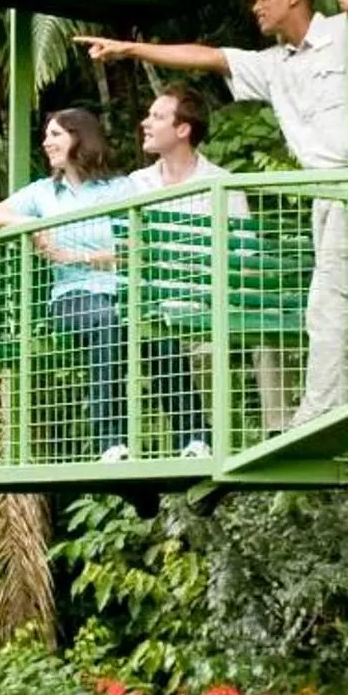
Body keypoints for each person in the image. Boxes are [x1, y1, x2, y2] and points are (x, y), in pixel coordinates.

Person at [79, 0, 348, 423]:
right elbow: (206, 57)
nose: (256, 6)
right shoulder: (274, 63)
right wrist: (131, 49)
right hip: (324, 191)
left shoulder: (344, 30)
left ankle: (318, 411)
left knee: (330, 299)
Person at [0, 106, 129, 458]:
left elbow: (137, 245)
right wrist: (30, 226)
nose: (46, 142)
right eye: (46, 135)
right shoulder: (43, 193)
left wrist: (82, 257)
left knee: (152, 331)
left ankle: (194, 437)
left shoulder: (120, 188)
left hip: (122, 291)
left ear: (80, 137)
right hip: (72, 295)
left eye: (56, 134)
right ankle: (111, 441)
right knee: (105, 319)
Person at [108, 85, 242, 455]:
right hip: (155, 306)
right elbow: (124, 249)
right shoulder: (136, 184)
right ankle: (192, 441)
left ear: (183, 129)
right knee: (140, 334)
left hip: (206, 302)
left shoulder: (223, 183)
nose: (145, 123)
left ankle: (226, 440)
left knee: (221, 341)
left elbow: (242, 255)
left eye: (157, 117)